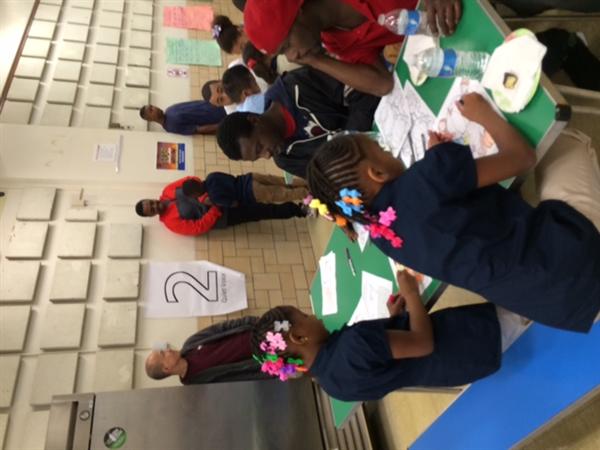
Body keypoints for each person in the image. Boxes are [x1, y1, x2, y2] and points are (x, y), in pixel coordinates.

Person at [306, 92, 600, 333]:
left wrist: (439, 164)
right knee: (567, 141)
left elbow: (427, 209)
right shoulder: (429, 177)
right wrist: (483, 114)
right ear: (377, 173)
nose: (388, 151)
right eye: (380, 149)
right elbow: (522, 157)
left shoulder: (381, 235)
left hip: (553, 306)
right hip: (578, 263)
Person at [251, 270, 532, 401]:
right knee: (527, 310)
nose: (314, 316)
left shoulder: (331, 385)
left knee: (521, 335)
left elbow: (385, 364)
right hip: (470, 338)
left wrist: (393, 321)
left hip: (454, 367)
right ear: (299, 338)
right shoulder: (354, 343)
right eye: (305, 316)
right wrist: (411, 294)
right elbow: (422, 344)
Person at [243, 0, 462, 97]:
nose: (293, 57)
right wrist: (315, 60)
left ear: (298, 13)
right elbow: (382, 84)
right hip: (455, 40)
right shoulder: (334, 40)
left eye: (286, 47)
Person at [216, 66, 381, 178]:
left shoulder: (295, 86)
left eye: (259, 148)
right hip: (375, 165)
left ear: (254, 120)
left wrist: (352, 142)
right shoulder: (286, 159)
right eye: (258, 157)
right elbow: (328, 179)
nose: (267, 155)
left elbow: (361, 91)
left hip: (383, 116)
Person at [135, 176, 309, 236]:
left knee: (263, 191)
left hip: (223, 193)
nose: (155, 206)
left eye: (151, 202)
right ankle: (300, 210)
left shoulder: (168, 190)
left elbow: (191, 180)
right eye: (152, 209)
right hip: (225, 215)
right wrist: (215, 208)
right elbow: (198, 227)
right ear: (152, 215)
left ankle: (303, 189)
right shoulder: (171, 223)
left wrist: (205, 196)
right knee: (263, 211)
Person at [145, 316, 270, 384]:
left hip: (259, 331)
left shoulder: (190, 343)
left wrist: (255, 322)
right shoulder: (196, 383)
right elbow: (241, 379)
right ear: (166, 368)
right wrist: (270, 370)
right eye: (163, 354)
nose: (167, 350)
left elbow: (221, 328)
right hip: (267, 358)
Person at [193, 172, 308, 207]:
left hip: (251, 192)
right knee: (282, 181)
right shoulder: (211, 176)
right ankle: (306, 182)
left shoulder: (214, 196)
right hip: (250, 177)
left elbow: (234, 203)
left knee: (283, 194)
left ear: (197, 193)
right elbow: (230, 177)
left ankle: (307, 192)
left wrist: (212, 203)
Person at [139, 102, 225, 135]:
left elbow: (195, 103)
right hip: (220, 118)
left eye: (152, 106)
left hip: (218, 104)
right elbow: (198, 129)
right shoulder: (171, 127)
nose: (155, 108)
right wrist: (222, 125)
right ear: (150, 119)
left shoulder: (169, 109)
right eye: (151, 110)